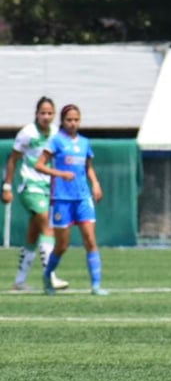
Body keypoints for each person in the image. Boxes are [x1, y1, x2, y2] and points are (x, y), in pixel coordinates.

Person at [34, 104, 108, 296]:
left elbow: (88, 167)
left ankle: (96, 286)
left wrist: (96, 184)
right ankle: (47, 276)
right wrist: (59, 173)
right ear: (63, 121)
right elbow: (39, 165)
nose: (73, 123)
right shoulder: (56, 141)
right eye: (69, 120)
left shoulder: (84, 143)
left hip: (83, 197)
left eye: (76, 119)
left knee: (90, 240)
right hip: (62, 199)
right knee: (62, 245)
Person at [2, 96, 69, 291]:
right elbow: (13, 159)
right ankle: (51, 275)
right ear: (36, 114)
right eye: (43, 113)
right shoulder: (27, 133)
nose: (46, 117)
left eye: (50, 113)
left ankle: (20, 281)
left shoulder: (56, 133)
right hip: (29, 187)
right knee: (47, 225)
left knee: (33, 233)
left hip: (48, 187)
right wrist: (6, 187)